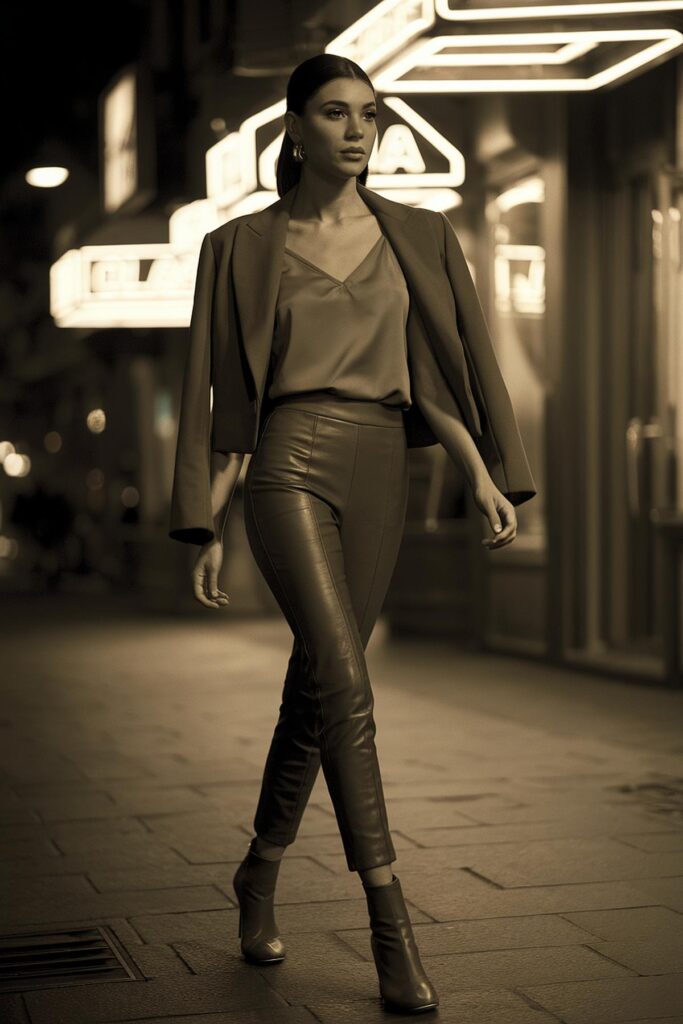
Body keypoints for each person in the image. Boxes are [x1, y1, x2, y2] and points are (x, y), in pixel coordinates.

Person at [170, 54, 536, 1015]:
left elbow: (434, 372)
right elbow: (224, 395)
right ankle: (389, 921)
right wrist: (207, 516)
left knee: (314, 689)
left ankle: (257, 873)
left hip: (383, 466)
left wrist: (478, 471)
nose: (356, 130)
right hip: (286, 459)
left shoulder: (416, 232)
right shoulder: (239, 246)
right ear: (291, 128)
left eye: (368, 115)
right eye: (334, 114)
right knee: (346, 680)